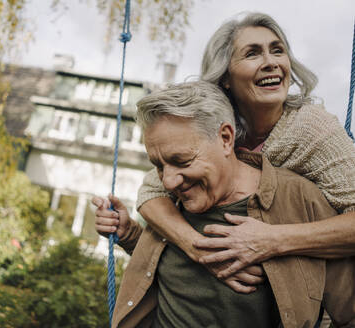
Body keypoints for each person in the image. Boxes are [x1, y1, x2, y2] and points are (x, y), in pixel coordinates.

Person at [93, 81, 355, 328]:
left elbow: (349, 311)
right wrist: (128, 235)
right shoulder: (169, 204)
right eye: (158, 166)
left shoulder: (301, 201)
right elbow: (173, 270)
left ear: (226, 138)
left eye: (182, 161)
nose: (169, 181)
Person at [133, 12, 355, 286]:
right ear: (225, 76)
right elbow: (151, 193)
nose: (271, 62)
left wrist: (273, 240)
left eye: (278, 51)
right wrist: (197, 247)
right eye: (253, 54)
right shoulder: (210, 125)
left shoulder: (312, 128)